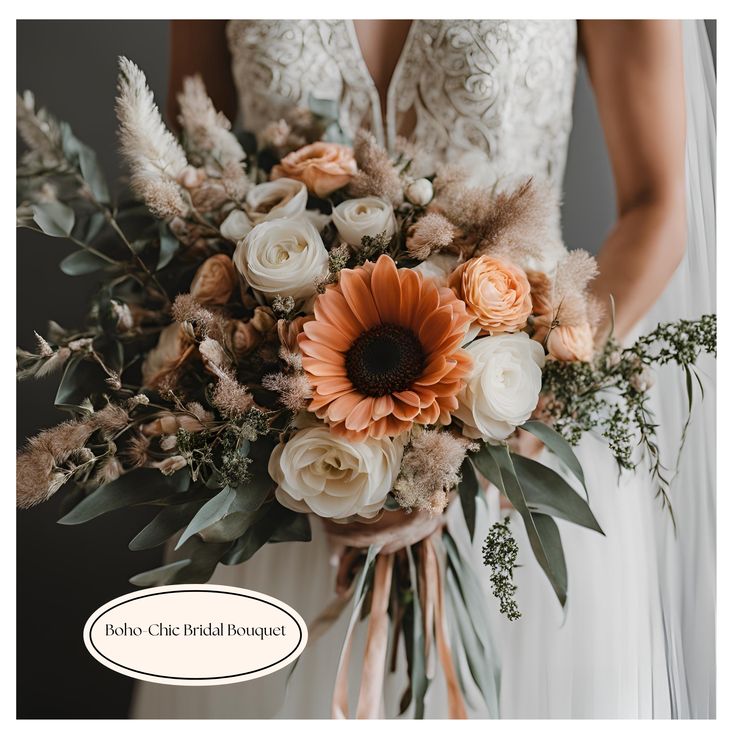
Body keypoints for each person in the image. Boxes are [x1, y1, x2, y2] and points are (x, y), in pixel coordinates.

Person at [133, 19, 715, 718]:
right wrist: (279, 405)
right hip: (294, 474)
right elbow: (195, 192)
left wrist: (527, 391)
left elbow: (659, 205)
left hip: (516, 445)